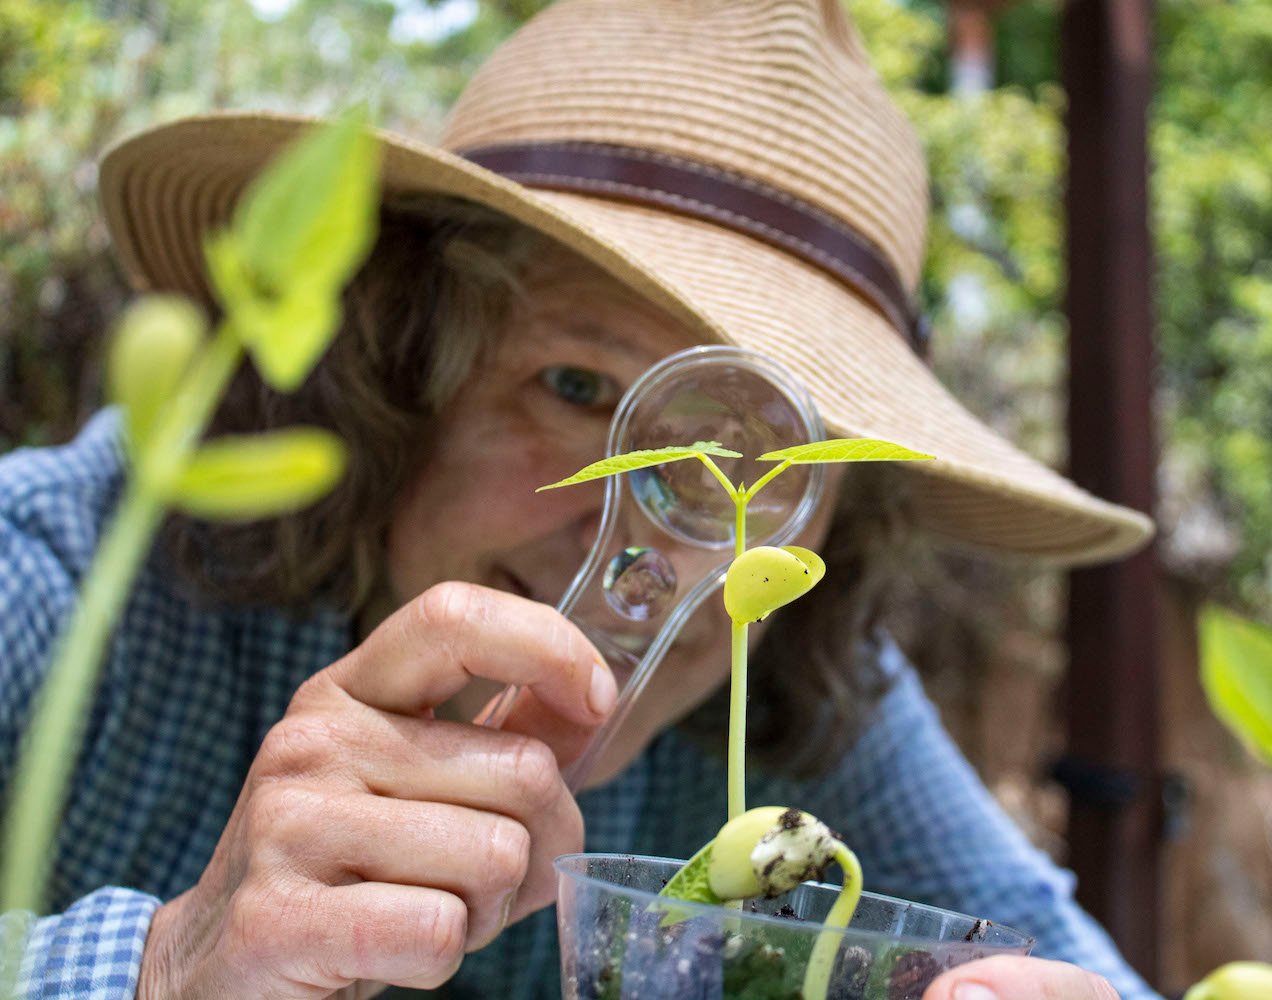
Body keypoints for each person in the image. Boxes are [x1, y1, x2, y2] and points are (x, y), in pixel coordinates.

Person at [0, 0, 1162, 997]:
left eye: (761, 468)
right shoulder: (62, 572)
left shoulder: (785, 691)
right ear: (397, 373)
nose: (651, 556)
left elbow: (1079, 964)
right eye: (574, 385)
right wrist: (167, 966)